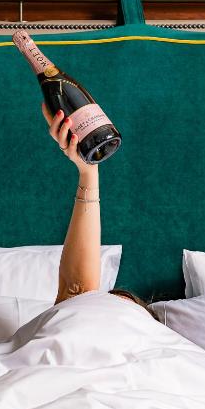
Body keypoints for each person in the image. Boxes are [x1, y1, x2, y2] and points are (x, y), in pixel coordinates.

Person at [42, 102, 159, 319]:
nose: (106, 305)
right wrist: (88, 171)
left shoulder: (156, 337)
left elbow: (77, 292)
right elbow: (78, 297)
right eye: (107, 302)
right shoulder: (79, 316)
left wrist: (88, 173)